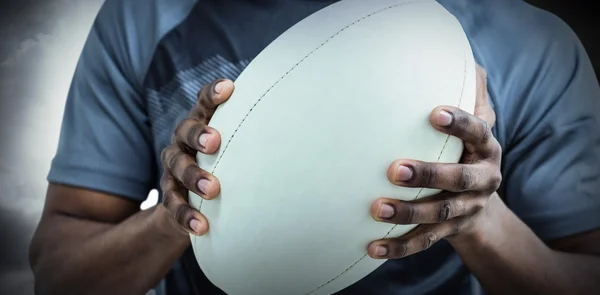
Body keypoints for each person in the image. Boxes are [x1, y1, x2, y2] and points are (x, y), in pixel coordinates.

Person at [28, 0, 600, 294]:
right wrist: (174, 217)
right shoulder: (145, 18)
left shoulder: (527, 44)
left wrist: (478, 219)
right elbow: (59, 274)